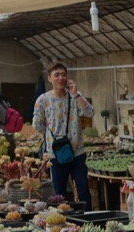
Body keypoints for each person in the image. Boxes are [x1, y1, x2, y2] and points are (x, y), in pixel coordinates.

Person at [33, 63, 93, 209]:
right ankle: (62, 223)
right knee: (58, 192)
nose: (61, 78)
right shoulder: (43, 100)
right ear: (49, 78)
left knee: (83, 188)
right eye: (57, 75)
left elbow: (89, 112)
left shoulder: (74, 97)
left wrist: (76, 94)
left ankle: (88, 218)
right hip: (56, 153)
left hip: (77, 152)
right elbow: (37, 125)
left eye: (63, 74)